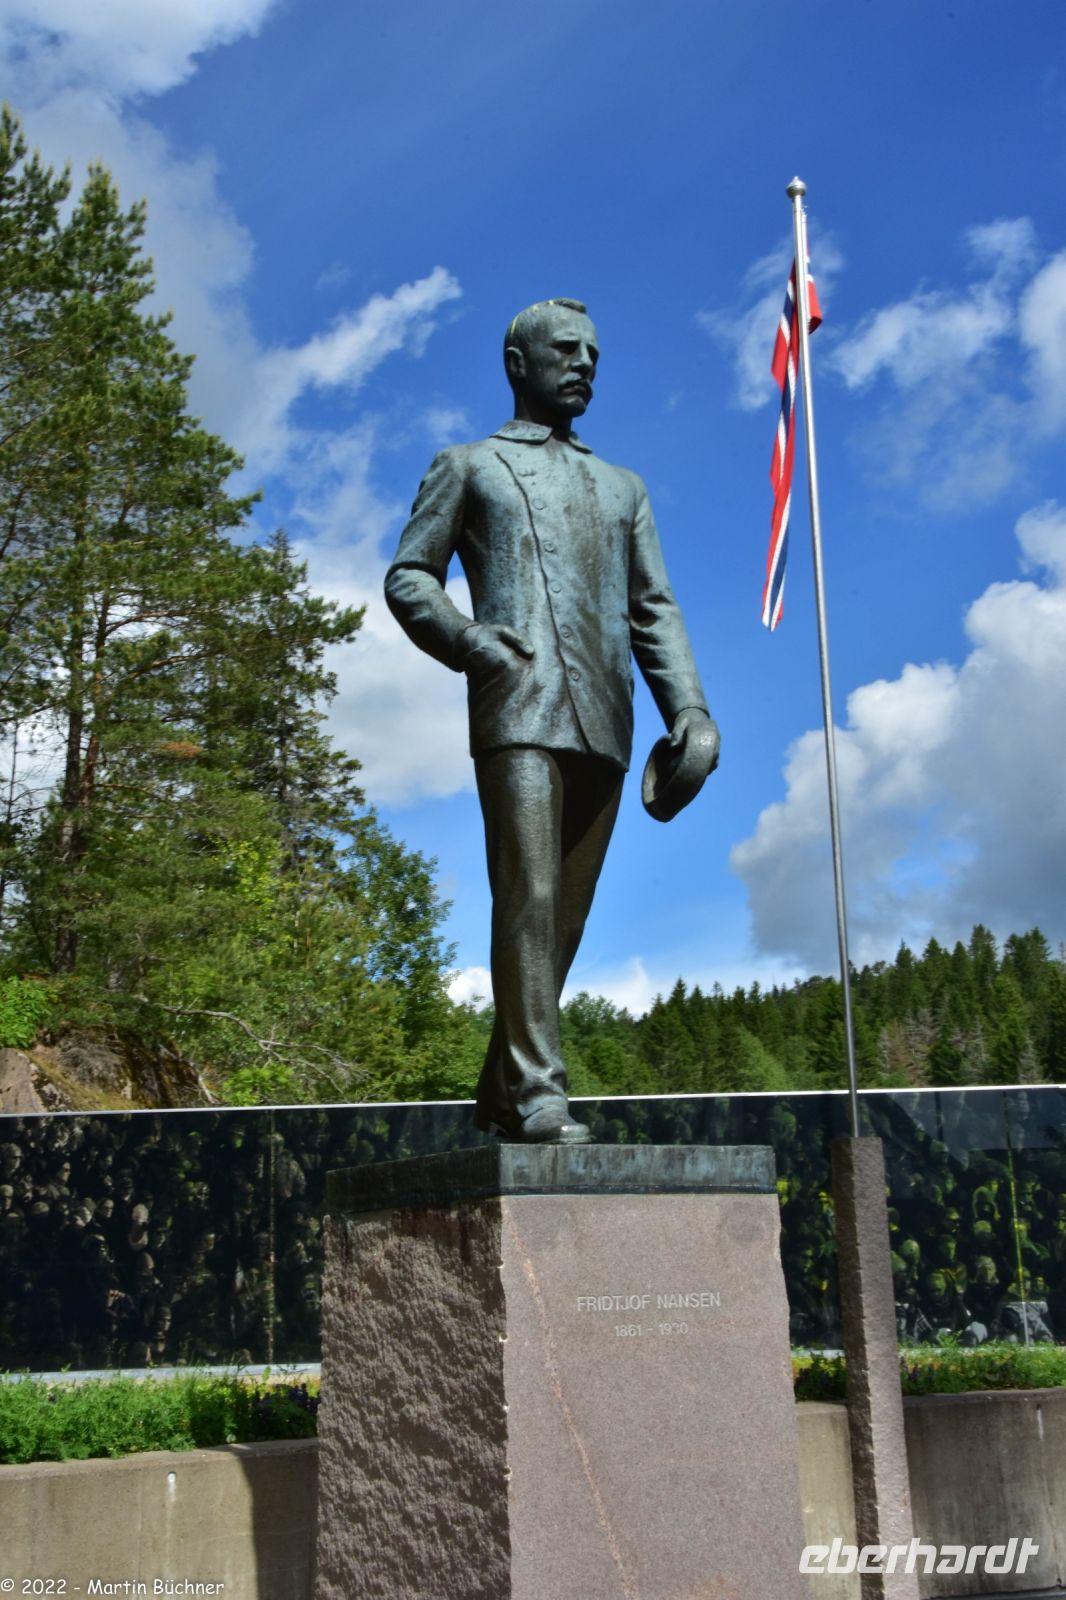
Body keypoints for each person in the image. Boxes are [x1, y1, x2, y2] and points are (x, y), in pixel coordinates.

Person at [385, 298, 719, 1143]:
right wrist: (470, 642)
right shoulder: (470, 465)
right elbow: (410, 577)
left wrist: (689, 711)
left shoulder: (623, 488)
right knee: (527, 896)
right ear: (516, 362)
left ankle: (499, 1094)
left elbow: (653, 610)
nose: (583, 364)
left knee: (564, 919)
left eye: (594, 355)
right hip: (518, 707)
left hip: (605, 716)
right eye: (565, 350)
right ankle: (540, 1091)